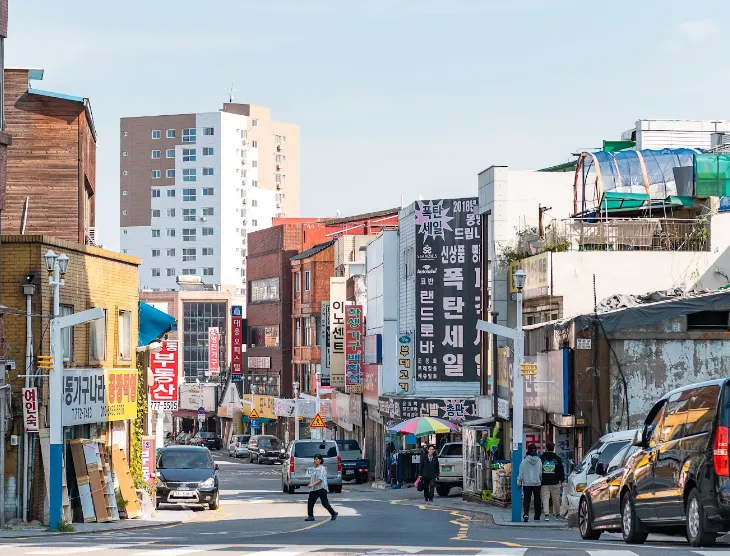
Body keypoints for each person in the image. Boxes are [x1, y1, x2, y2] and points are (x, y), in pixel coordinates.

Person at [305, 454, 338, 522]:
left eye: (316, 459)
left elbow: (320, 479)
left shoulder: (322, 469)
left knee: (324, 503)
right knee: (310, 502)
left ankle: (333, 513)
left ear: (320, 460)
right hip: (314, 488)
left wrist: (312, 484)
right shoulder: (314, 469)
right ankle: (310, 516)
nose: (315, 461)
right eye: (314, 459)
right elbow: (313, 478)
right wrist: (311, 485)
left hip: (321, 488)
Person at [540, 441, 566, 521]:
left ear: (546, 448)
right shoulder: (557, 458)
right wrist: (562, 480)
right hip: (555, 481)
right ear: (553, 448)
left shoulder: (541, 458)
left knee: (545, 498)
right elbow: (561, 470)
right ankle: (557, 514)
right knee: (556, 498)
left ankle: (546, 515)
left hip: (544, 481)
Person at [517, 443, 543, 522]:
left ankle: (526, 514)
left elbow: (521, 472)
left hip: (527, 483)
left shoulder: (524, 461)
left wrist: (519, 480)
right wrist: (539, 479)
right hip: (537, 483)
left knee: (526, 499)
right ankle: (537, 516)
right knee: (537, 500)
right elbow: (540, 473)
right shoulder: (539, 460)